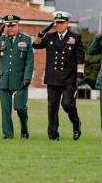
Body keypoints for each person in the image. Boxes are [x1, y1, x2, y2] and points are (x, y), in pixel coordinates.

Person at [33, 11, 84, 141]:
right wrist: (42, 32)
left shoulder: (75, 37)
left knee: (67, 104)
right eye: (57, 23)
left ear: (67, 23)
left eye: (61, 23)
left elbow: (80, 58)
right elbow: (36, 45)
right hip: (53, 77)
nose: (59, 25)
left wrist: (79, 75)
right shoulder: (50, 37)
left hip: (69, 78)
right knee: (52, 107)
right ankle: (53, 134)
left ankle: (76, 123)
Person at [0, 14, 34, 139]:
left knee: (20, 107)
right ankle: (8, 135)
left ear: (18, 26)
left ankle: (24, 128)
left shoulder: (26, 40)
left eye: (13, 26)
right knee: (6, 110)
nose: (10, 28)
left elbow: (29, 61)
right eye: (7, 26)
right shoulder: (1, 39)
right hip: (4, 80)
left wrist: (27, 78)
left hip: (21, 80)